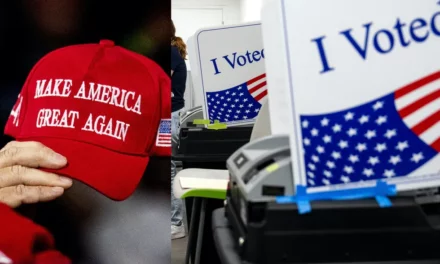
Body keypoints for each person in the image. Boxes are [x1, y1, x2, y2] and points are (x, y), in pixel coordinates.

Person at [171, 19, 187, 240]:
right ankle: (175, 221)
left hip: (169, 117)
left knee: (170, 170)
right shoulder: (174, 52)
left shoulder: (171, 54)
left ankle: (176, 223)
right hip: (171, 116)